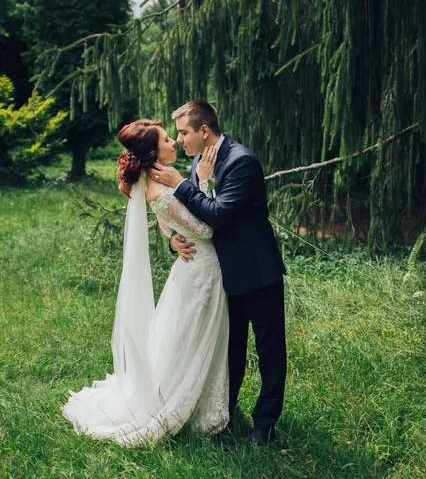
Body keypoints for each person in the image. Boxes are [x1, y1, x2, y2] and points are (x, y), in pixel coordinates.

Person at [62, 120, 229, 446]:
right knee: (195, 340)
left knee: (188, 340)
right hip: (201, 270)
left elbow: (169, 225)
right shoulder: (161, 188)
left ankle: (201, 407)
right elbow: (206, 229)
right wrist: (205, 183)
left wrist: (174, 239)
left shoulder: (155, 182)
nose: (174, 142)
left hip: (194, 267)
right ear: (154, 151)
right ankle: (192, 410)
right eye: (168, 139)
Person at [151, 101, 286, 444]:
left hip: (256, 270)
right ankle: (225, 409)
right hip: (221, 275)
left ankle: (265, 422)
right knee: (231, 346)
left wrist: (184, 184)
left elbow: (219, 214)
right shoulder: (199, 161)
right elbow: (191, 219)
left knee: (269, 347)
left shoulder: (242, 161)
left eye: (183, 132)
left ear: (204, 131)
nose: (179, 140)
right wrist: (174, 242)